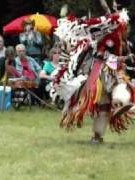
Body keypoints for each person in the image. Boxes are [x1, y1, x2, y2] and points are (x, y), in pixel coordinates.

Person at [53, 10, 135, 143]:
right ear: (123, 26)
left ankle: (98, 134)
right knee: (106, 100)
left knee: (104, 105)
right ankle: (117, 107)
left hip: (110, 71)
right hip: (104, 71)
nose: (128, 31)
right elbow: (101, 54)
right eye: (127, 27)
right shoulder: (112, 37)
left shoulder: (118, 37)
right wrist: (122, 58)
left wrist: (123, 59)